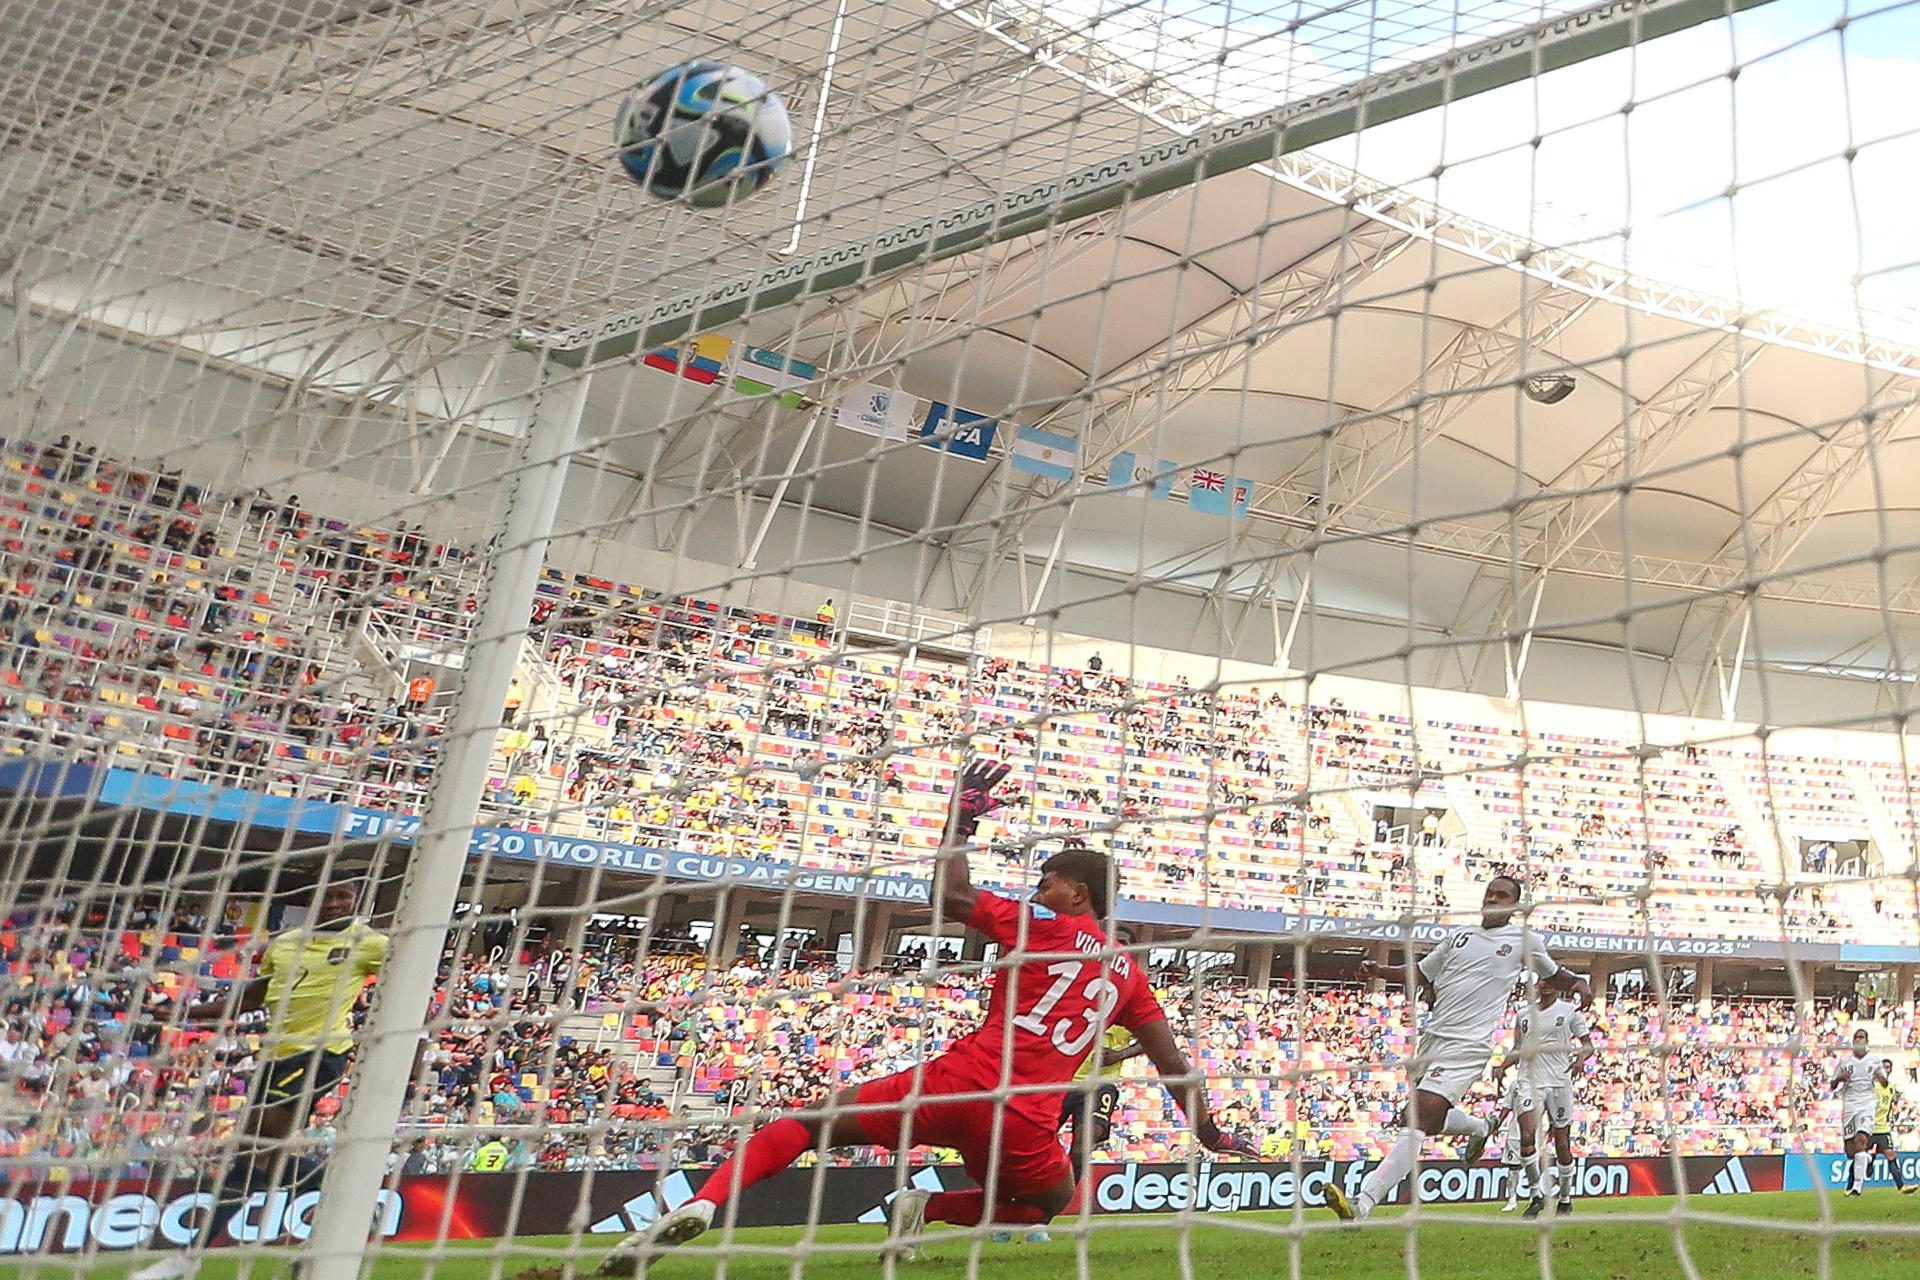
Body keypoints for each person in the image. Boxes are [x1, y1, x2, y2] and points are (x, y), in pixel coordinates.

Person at [598, 757, 1249, 1272]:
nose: (1036, 890)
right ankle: (929, 1206)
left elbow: (950, 893)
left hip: (958, 1082)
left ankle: (707, 1205)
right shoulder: (1131, 976)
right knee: (1055, 1205)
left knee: (805, 1123)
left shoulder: (1044, 924)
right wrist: (1212, 1136)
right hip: (1026, 1121)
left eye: (1046, 881)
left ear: (1077, 892)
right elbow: (1173, 1067)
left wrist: (959, 823)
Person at [132, 881, 388, 1280]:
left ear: (355, 903)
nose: (339, 903)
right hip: (274, 1057)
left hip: (320, 1054)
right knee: (254, 1157)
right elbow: (253, 998)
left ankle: (188, 1258)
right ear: (314, 901)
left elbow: (413, 973)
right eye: (332, 896)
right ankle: (355, 1199)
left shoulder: (369, 943)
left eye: (346, 897)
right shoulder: (286, 944)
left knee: (261, 1149)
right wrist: (189, 1014)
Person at [1323, 875, 1589, 1223]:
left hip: (1468, 1045)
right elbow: (1420, 972)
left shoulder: (1524, 940)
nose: (1494, 899)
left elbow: (1553, 975)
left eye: (1503, 896)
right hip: (1433, 1039)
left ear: (1515, 905)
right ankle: (1480, 1128)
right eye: (1490, 894)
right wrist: (1380, 970)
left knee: (1417, 1118)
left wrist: (1579, 982)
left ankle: (1363, 1203)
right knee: (1423, 1121)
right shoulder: (1458, 937)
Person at [1502, 977, 1593, 1218]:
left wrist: (1580, 1060)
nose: (1546, 985)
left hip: (1560, 1081)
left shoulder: (1570, 1012)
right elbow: (1518, 1049)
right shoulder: (1523, 1015)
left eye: (1551, 981)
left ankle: (1565, 1199)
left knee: (1562, 1144)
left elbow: (1588, 1045)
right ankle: (1535, 1195)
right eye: (1541, 981)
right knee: (1527, 1135)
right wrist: (1502, 1066)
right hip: (1529, 1081)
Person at [1832, 1029, 1891, 1195]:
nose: (1859, 1040)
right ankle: (1868, 1159)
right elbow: (1832, 1084)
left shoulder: (1874, 1061)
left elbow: (1885, 1083)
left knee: (1862, 1138)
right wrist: (1839, 1079)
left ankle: (1857, 1187)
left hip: (1867, 1104)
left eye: (1862, 1037)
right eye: (1856, 1037)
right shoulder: (1845, 1062)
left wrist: (1881, 1079)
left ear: (1866, 1040)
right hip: (1850, 1104)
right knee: (1851, 1151)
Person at [1868, 1058, 1913, 1194]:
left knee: (1891, 1155)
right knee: (1864, 1159)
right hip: (1869, 1128)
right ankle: (1852, 1186)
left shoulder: (1892, 1088)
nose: (1886, 1070)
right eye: (1884, 1067)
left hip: (1883, 1129)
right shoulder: (1871, 1086)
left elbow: (1888, 1106)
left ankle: (1901, 1186)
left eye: (1889, 1067)